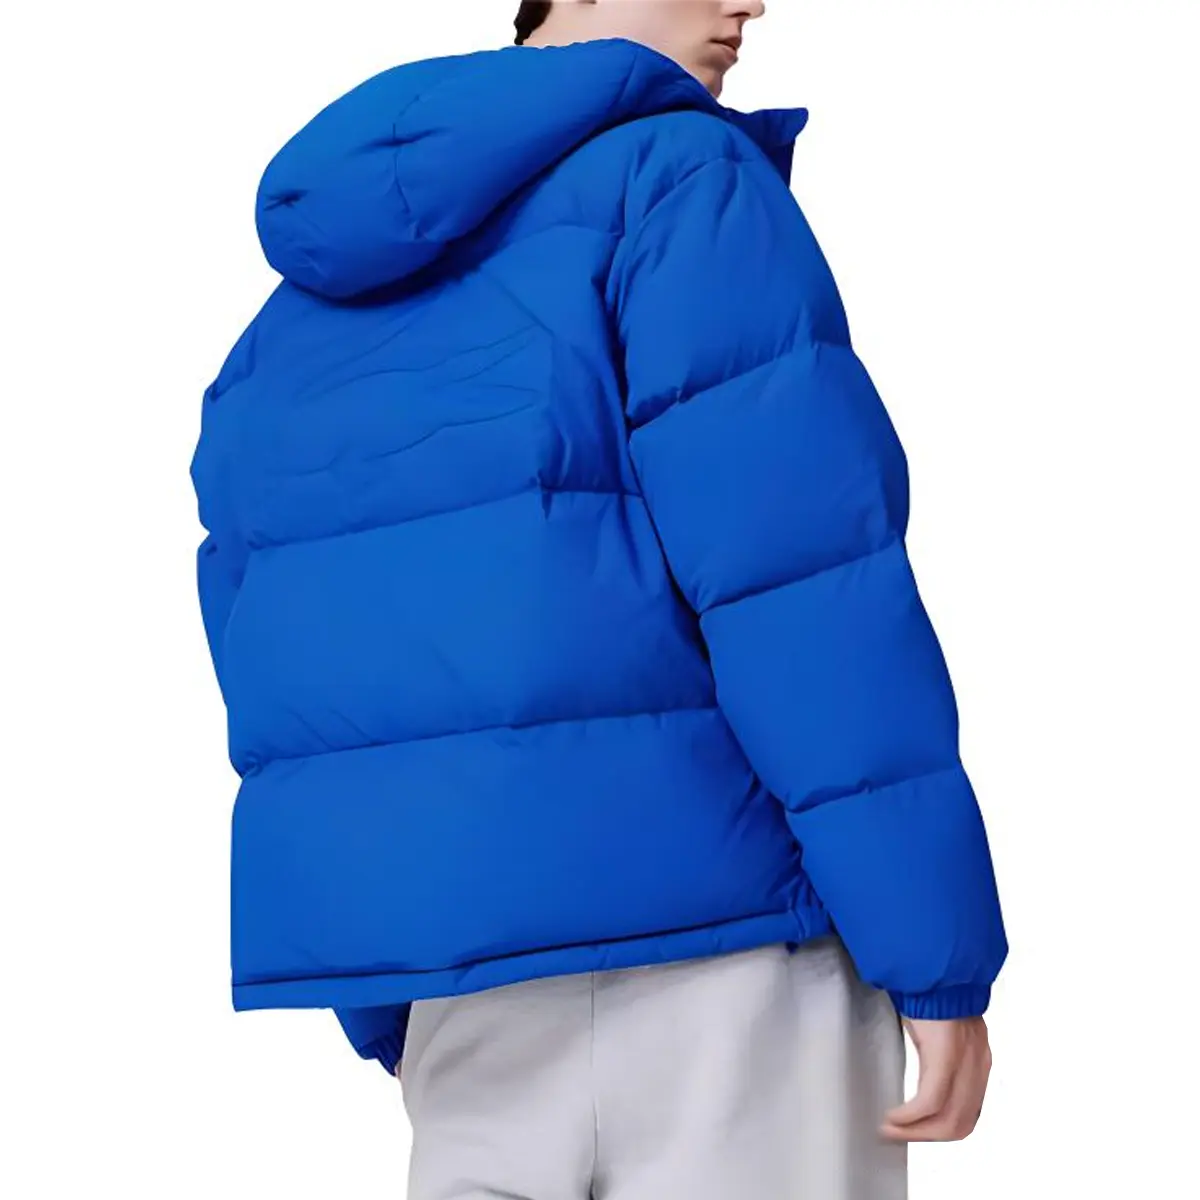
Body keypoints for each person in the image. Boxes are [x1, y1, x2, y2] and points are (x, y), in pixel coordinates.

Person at [191, 1, 1008, 1195]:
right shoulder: (680, 177)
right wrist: (933, 951)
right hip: (733, 972)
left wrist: (391, 988)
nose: (750, 1)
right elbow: (802, 583)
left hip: (468, 994)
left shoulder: (309, 293)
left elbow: (271, 636)